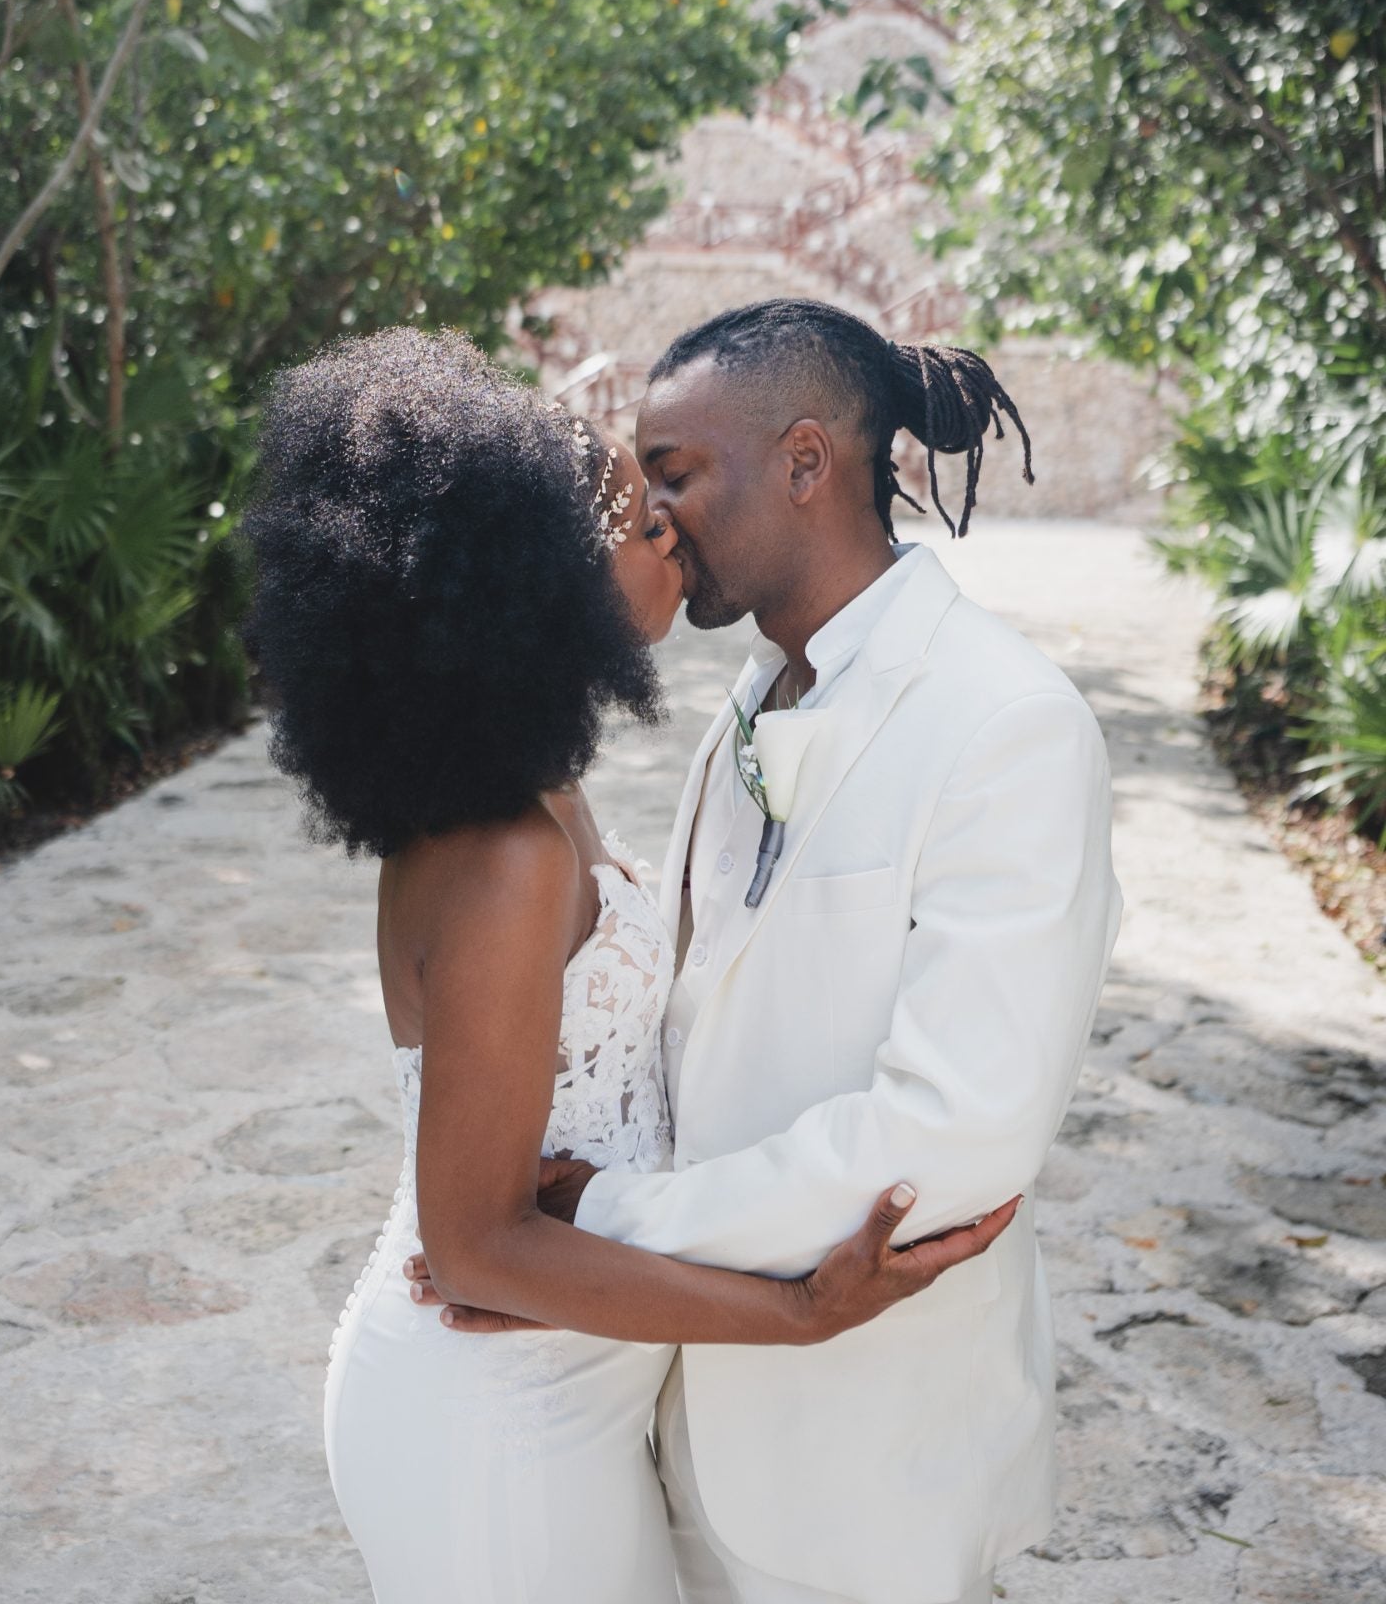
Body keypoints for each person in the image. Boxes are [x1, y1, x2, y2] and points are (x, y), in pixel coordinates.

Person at [243, 326, 1015, 1604]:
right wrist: (797, 1313)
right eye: (633, 522)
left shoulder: (540, 793)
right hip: (490, 1417)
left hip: (574, 1393)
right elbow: (477, 1247)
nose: (668, 531)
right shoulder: (499, 858)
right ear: (523, 589)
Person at [408, 299, 1122, 1604]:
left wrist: (598, 1222)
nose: (659, 511)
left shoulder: (1007, 723)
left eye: (677, 470)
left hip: (870, 1450)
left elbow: (952, 1133)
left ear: (806, 463)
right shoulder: (746, 702)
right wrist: (548, 1267)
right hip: (681, 1412)